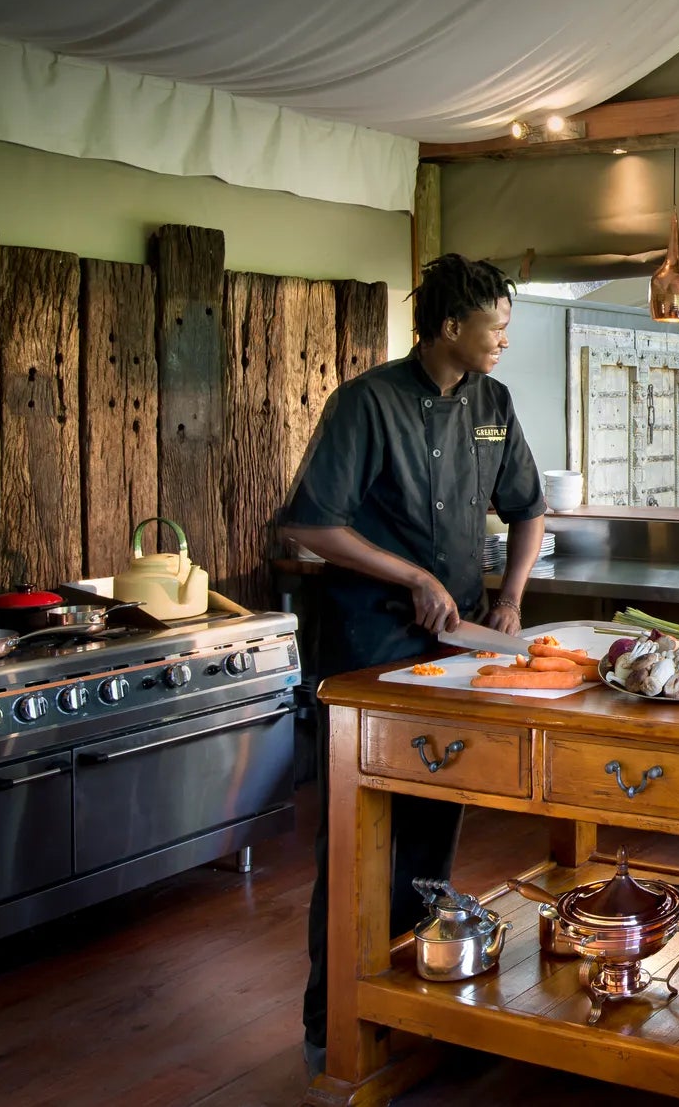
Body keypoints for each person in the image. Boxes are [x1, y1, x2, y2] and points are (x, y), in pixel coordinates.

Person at [280, 254, 547, 1070]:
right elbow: (310, 526)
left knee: (434, 824)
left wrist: (510, 595)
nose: (505, 337)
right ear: (448, 327)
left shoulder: (494, 403)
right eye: (494, 324)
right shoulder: (366, 403)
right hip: (369, 648)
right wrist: (414, 575)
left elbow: (530, 508)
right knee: (359, 833)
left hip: (455, 647)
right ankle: (336, 1019)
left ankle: (413, 997)